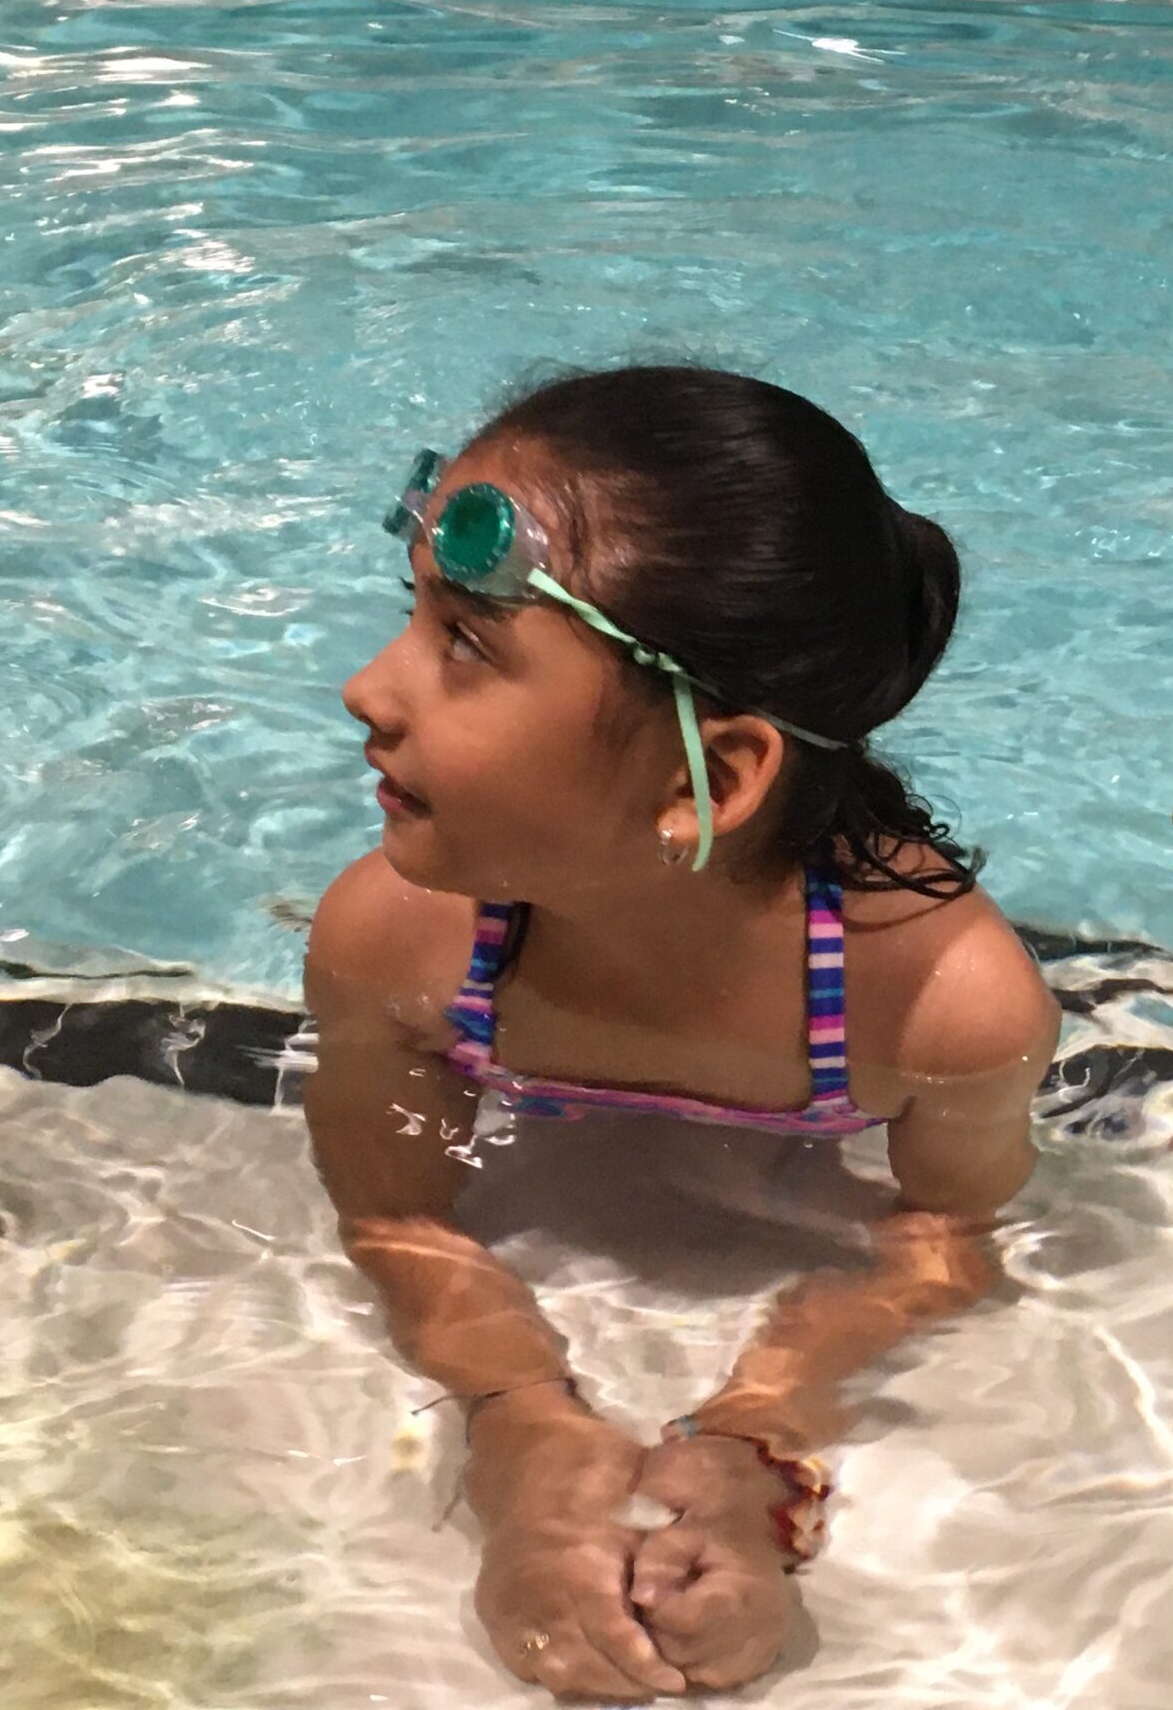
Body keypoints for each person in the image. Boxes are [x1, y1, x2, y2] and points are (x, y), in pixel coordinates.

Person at [305, 367, 1057, 1701]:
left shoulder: (938, 1004)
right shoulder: (397, 939)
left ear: (709, 775)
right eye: (409, 617)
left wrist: (756, 1438)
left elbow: (945, 1243)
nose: (370, 687)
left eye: (466, 643)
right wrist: (517, 1423)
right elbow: (391, 1216)